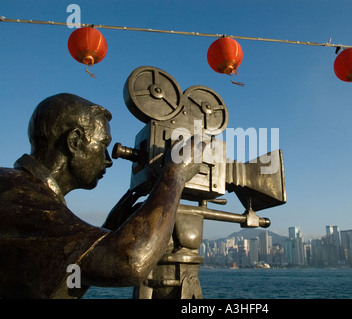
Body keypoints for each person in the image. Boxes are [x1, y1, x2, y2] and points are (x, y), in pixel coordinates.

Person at [0, 93, 202, 298]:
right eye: (103, 145)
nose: (108, 160)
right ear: (75, 141)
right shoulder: (18, 193)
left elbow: (71, 274)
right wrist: (175, 175)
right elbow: (131, 262)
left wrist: (108, 232)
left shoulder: (23, 190)